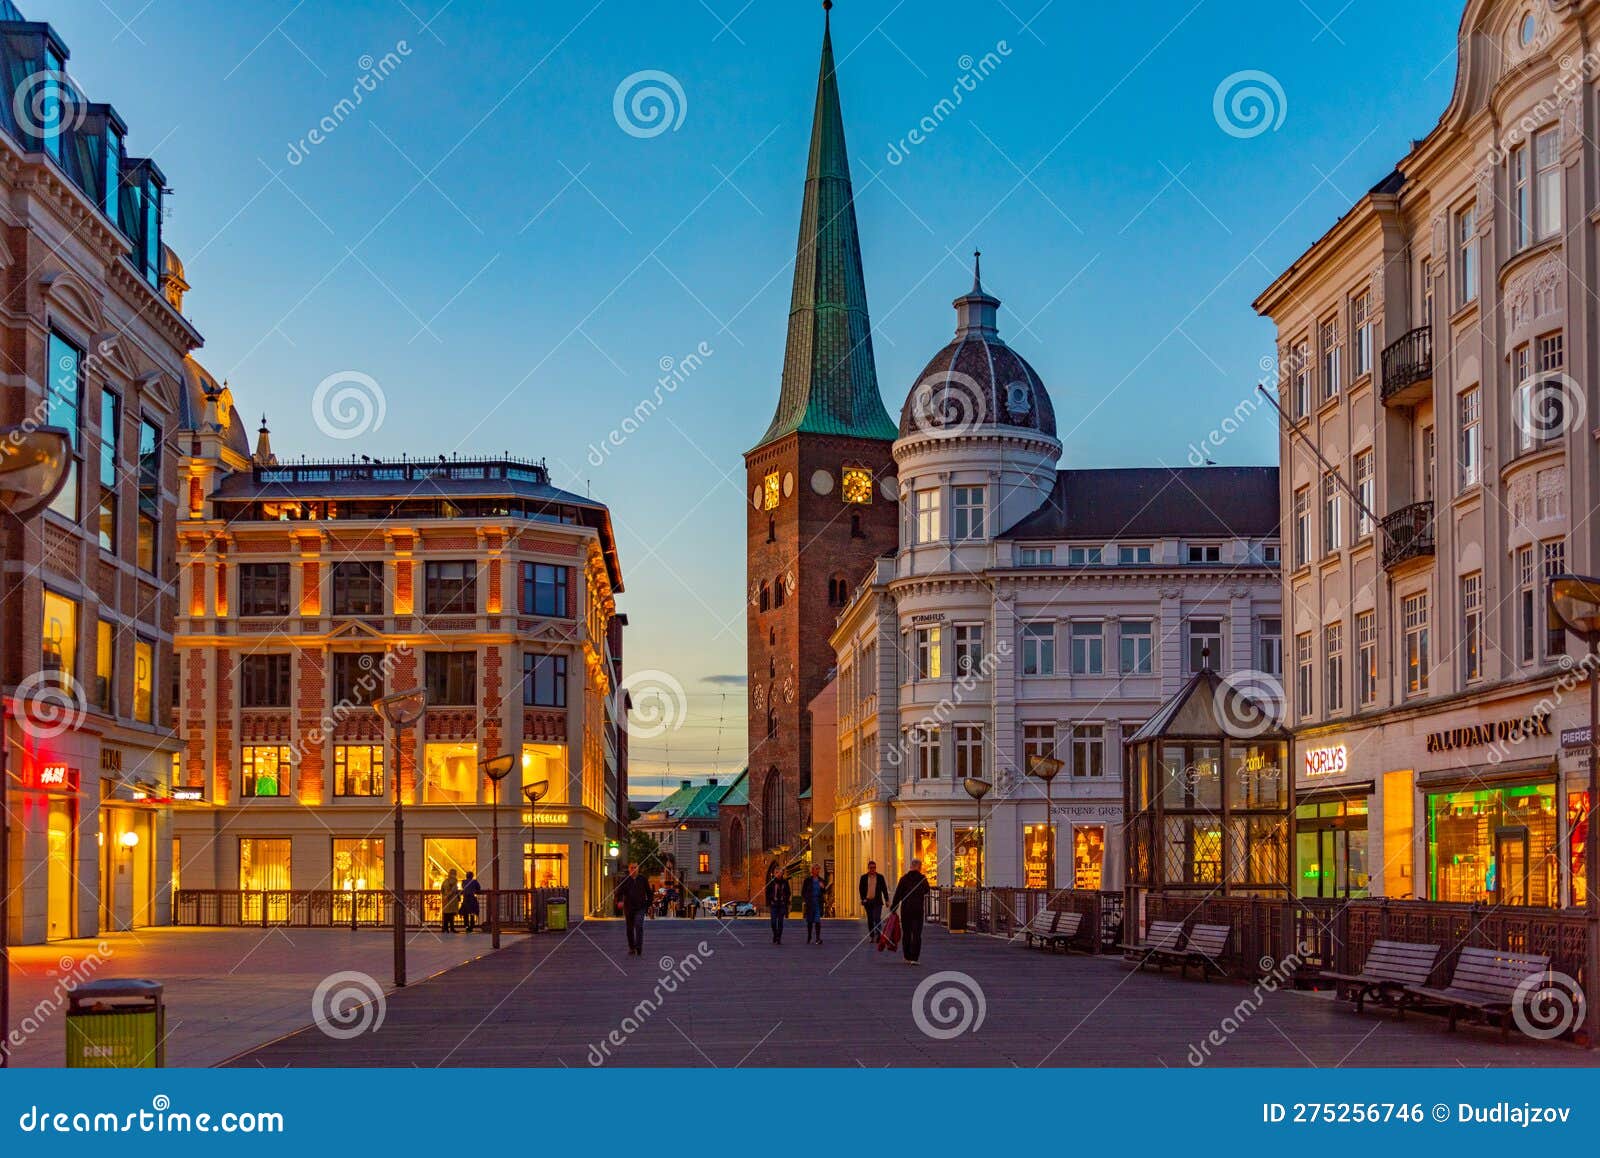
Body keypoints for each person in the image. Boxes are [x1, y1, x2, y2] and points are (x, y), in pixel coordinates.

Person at [890, 859, 931, 965]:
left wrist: (894, 908)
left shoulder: (904, 879)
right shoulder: (922, 879)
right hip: (917, 910)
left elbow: (898, 893)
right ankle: (915, 958)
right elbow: (927, 890)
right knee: (917, 934)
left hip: (906, 909)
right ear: (919, 867)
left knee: (907, 933)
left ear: (911, 866)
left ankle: (907, 956)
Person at [615, 861, 652, 956]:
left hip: (641, 907)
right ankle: (631, 947)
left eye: (635, 867)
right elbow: (618, 892)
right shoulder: (625, 880)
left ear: (638, 868)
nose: (634, 869)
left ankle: (639, 946)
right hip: (629, 908)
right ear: (629, 869)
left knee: (639, 925)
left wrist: (648, 904)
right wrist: (619, 901)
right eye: (632, 868)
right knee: (630, 928)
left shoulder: (643, 879)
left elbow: (649, 893)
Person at [859, 860, 889, 943]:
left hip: (877, 902)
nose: (873, 869)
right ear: (868, 868)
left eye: (874, 868)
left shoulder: (880, 877)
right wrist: (863, 898)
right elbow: (861, 889)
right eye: (871, 868)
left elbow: (884, 889)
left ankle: (878, 935)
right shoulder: (864, 878)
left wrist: (887, 900)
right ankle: (872, 936)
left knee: (877, 918)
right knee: (870, 919)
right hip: (868, 902)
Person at [801, 865, 830, 945]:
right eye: (816, 869)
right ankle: (809, 936)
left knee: (817, 921)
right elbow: (803, 892)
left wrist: (822, 887)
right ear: (812, 870)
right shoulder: (807, 880)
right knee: (810, 921)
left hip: (818, 902)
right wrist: (806, 900)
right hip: (810, 903)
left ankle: (817, 938)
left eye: (818, 869)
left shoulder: (821, 880)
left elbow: (824, 892)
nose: (818, 871)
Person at [765, 864, 792, 944]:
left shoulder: (785, 882)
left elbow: (788, 893)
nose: (778, 874)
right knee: (773, 922)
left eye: (780, 872)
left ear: (782, 873)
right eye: (776, 872)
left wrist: (785, 900)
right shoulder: (771, 882)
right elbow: (767, 893)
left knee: (780, 922)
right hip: (774, 904)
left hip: (782, 904)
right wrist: (771, 900)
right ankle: (775, 934)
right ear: (774, 873)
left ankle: (779, 938)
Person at [440, 869, 462, 934]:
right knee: (451, 915)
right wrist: (449, 895)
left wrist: (444, 896)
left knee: (446, 915)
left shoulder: (444, 881)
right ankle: (452, 928)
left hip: (445, 900)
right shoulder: (454, 881)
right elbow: (453, 890)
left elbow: (442, 890)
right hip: (452, 900)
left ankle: (445, 928)